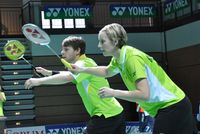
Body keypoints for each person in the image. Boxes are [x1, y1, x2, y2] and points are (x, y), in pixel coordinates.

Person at [69, 23, 198, 134]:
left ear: (115, 41)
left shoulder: (132, 59)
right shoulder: (119, 58)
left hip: (172, 107)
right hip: (170, 107)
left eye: (102, 41)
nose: (99, 45)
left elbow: (144, 94)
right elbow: (106, 71)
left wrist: (113, 93)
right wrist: (82, 69)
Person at [24, 36, 125, 134]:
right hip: (115, 112)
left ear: (77, 50)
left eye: (66, 49)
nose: (62, 52)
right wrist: (49, 72)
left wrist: (39, 81)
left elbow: (68, 77)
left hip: (105, 114)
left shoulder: (84, 64)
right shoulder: (85, 63)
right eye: (62, 49)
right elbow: (70, 75)